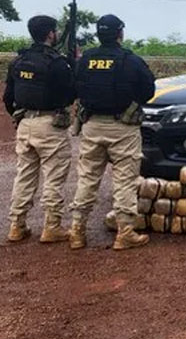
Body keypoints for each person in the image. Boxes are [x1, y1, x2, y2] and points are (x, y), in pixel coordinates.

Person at [68, 14, 155, 251]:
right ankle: (125, 233)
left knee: (87, 178)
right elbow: (148, 90)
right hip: (123, 129)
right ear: (120, 34)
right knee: (125, 181)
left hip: (92, 126)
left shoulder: (85, 59)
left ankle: (77, 231)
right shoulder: (131, 60)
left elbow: (75, 86)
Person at [3, 15, 76, 243]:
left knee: (24, 176)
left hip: (25, 123)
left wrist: (21, 116)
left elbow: (8, 98)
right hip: (50, 124)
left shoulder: (19, 61)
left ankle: (17, 225)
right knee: (53, 178)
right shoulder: (56, 63)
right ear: (51, 34)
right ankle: (52, 226)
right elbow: (71, 93)